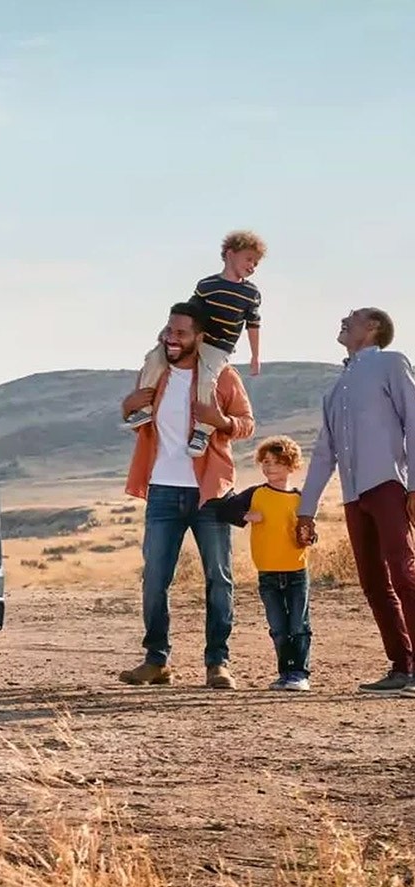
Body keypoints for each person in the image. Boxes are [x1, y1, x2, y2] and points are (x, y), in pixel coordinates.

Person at [119, 300, 255, 690]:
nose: (171, 339)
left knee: (219, 578)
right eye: (168, 330)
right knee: (155, 579)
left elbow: (247, 424)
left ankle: (218, 664)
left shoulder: (222, 377)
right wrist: (127, 406)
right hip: (163, 490)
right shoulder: (155, 373)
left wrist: (221, 421)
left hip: (210, 493)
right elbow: (135, 418)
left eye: (180, 333)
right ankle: (156, 660)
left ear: (200, 337)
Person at [297, 308, 415, 697]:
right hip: (353, 495)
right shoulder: (335, 388)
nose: (344, 319)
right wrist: (306, 510)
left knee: (404, 573)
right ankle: (401, 666)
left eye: (354, 316)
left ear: (374, 328)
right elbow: (323, 453)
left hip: (389, 487)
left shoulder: (391, 364)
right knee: (372, 582)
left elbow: (413, 420)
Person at [123, 230, 265, 459]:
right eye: (249, 259)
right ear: (230, 254)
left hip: (219, 346)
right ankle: (144, 409)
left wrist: (255, 356)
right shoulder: (207, 285)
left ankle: (202, 431)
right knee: (154, 358)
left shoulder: (250, 292)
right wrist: (166, 333)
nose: (252, 266)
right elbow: (187, 313)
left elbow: (254, 324)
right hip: (197, 338)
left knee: (207, 380)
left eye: (256, 263)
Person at [208, 436, 313, 691]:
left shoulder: (301, 499)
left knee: (298, 625)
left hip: (297, 572)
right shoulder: (256, 494)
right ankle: (285, 673)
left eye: (277, 463)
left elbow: (309, 531)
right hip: (267, 573)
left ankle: (299, 674)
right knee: (278, 626)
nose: (269, 468)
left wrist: (308, 536)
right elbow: (222, 510)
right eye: (265, 462)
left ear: (291, 466)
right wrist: (245, 515)